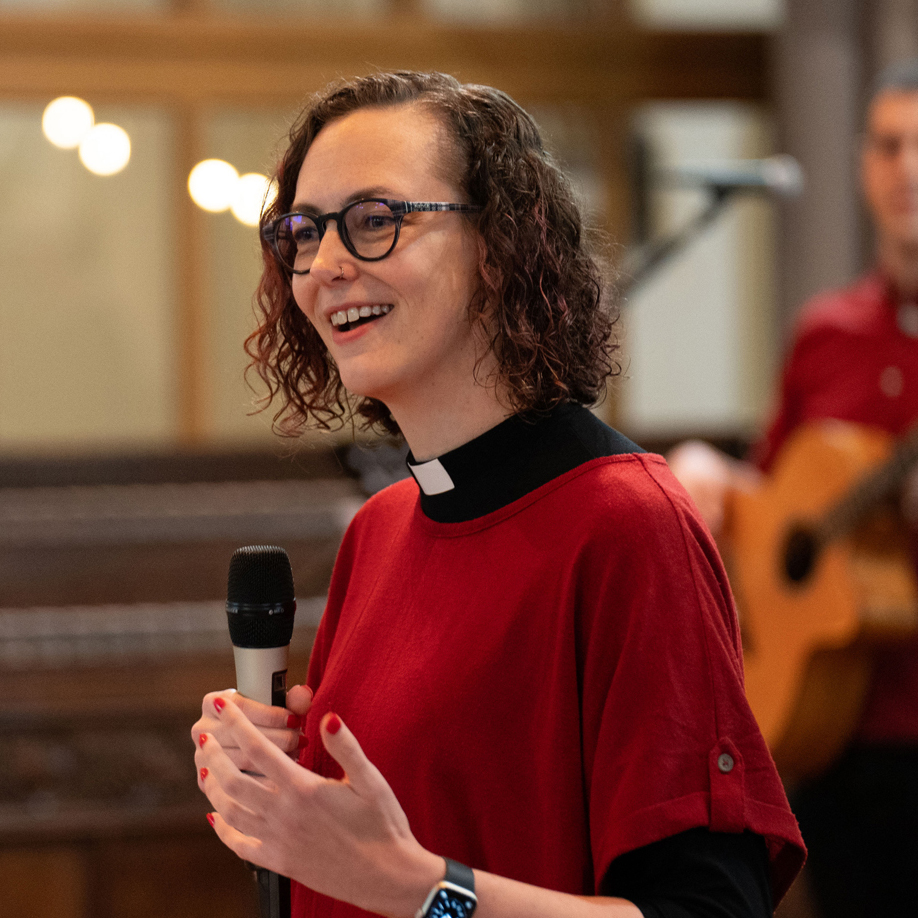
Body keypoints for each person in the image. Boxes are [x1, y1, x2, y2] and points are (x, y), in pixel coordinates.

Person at [191, 70, 804, 918]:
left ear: (499, 245)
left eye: (374, 221)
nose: (325, 264)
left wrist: (423, 892)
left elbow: (709, 910)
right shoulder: (382, 528)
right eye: (303, 230)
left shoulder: (628, 525)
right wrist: (287, 793)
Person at [667, 59, 918, 918]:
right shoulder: (826, 333)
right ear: (862, 163)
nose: (908, 170)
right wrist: (708, 472)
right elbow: (780, 508)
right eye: (890, 145)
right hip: (835, 740)